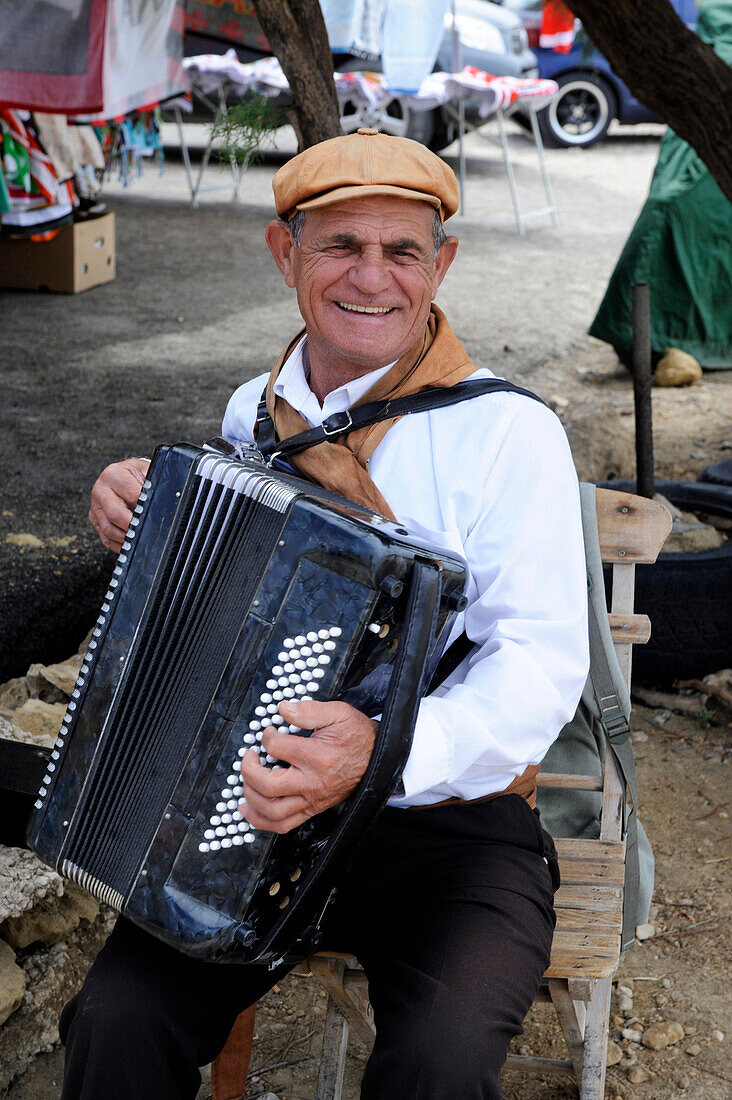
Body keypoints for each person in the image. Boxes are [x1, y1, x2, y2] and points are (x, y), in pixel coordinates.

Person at [68, 128, 589, 1100]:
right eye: (340, 244)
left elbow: (538, 663)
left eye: (401, 251)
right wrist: (139, 516)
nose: (371, 276)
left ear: (442, 266)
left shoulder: (510, 432)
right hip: (254, 809)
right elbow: (219, 610)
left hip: (450, 823)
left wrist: (381, 747)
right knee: (113, 1021)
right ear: (286, 254)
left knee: (440, 1061)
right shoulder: (251, 412)